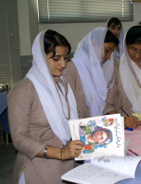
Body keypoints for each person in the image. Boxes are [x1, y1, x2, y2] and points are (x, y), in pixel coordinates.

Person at [7, 30, 84, 184]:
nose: (63, 64)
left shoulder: (61, 85)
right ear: (41, 58)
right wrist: (60, 153)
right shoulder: (23, 89)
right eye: (56, 59)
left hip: (68, 166)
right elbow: (19, 139)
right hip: (38, 169)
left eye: (65, 57)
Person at [66, 27, 119, 118]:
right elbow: (68, 109)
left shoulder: (97, 73)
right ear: (93, 44)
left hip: (96, 128)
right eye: (107, 50)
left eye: (111, 52)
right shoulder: (71, 70)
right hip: (78, 129)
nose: (108, 57)